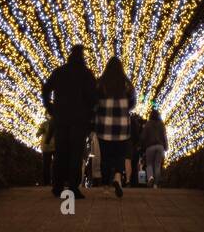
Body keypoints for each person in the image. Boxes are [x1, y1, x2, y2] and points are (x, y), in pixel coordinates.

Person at [41, 44, 97, 200]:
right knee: (75, 153)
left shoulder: (59, 72)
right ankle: (73, 187)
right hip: (79, 119)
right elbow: (93, 97)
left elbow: (46, 89)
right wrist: (90, 112)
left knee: (61, 152)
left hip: (61, 117)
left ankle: (57, 186)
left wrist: (49, 106)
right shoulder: (86, 74)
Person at [92, 56, 136, 198]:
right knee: (120, 155)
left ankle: (105, 186)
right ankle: (117, 177)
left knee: (105, 156)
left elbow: (94, 103)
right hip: (122, 127)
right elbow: (132, 104)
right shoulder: (127, 84)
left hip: (104, 127)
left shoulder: (100, 83)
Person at [141, 109, 168, 188]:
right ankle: (156, 184)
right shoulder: (161, 124)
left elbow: (143, 136)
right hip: (160, 146)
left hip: (150, 146)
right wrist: (166, 146)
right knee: (157, 165)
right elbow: (164, 136)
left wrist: (141, 145)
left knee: (149, 164)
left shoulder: (148, 124)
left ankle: (150, 178)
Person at [127, 112, 144, 187]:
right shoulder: (137, 125)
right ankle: (137, 182)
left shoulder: (127, 123)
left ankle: (128, 180)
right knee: (136, 165)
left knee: (128, 162)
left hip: (128, 144)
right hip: (135, 147)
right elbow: (138, 137)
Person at [37, 115, 54, 186]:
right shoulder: (44, 124)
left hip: (49, 146)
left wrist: (39, 133)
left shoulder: (45, 124)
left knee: (47, 165)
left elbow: (38, 132)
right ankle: (48, 182)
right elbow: (39, 132)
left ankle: (48, 182)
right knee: (47, 165)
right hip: (48, 146)